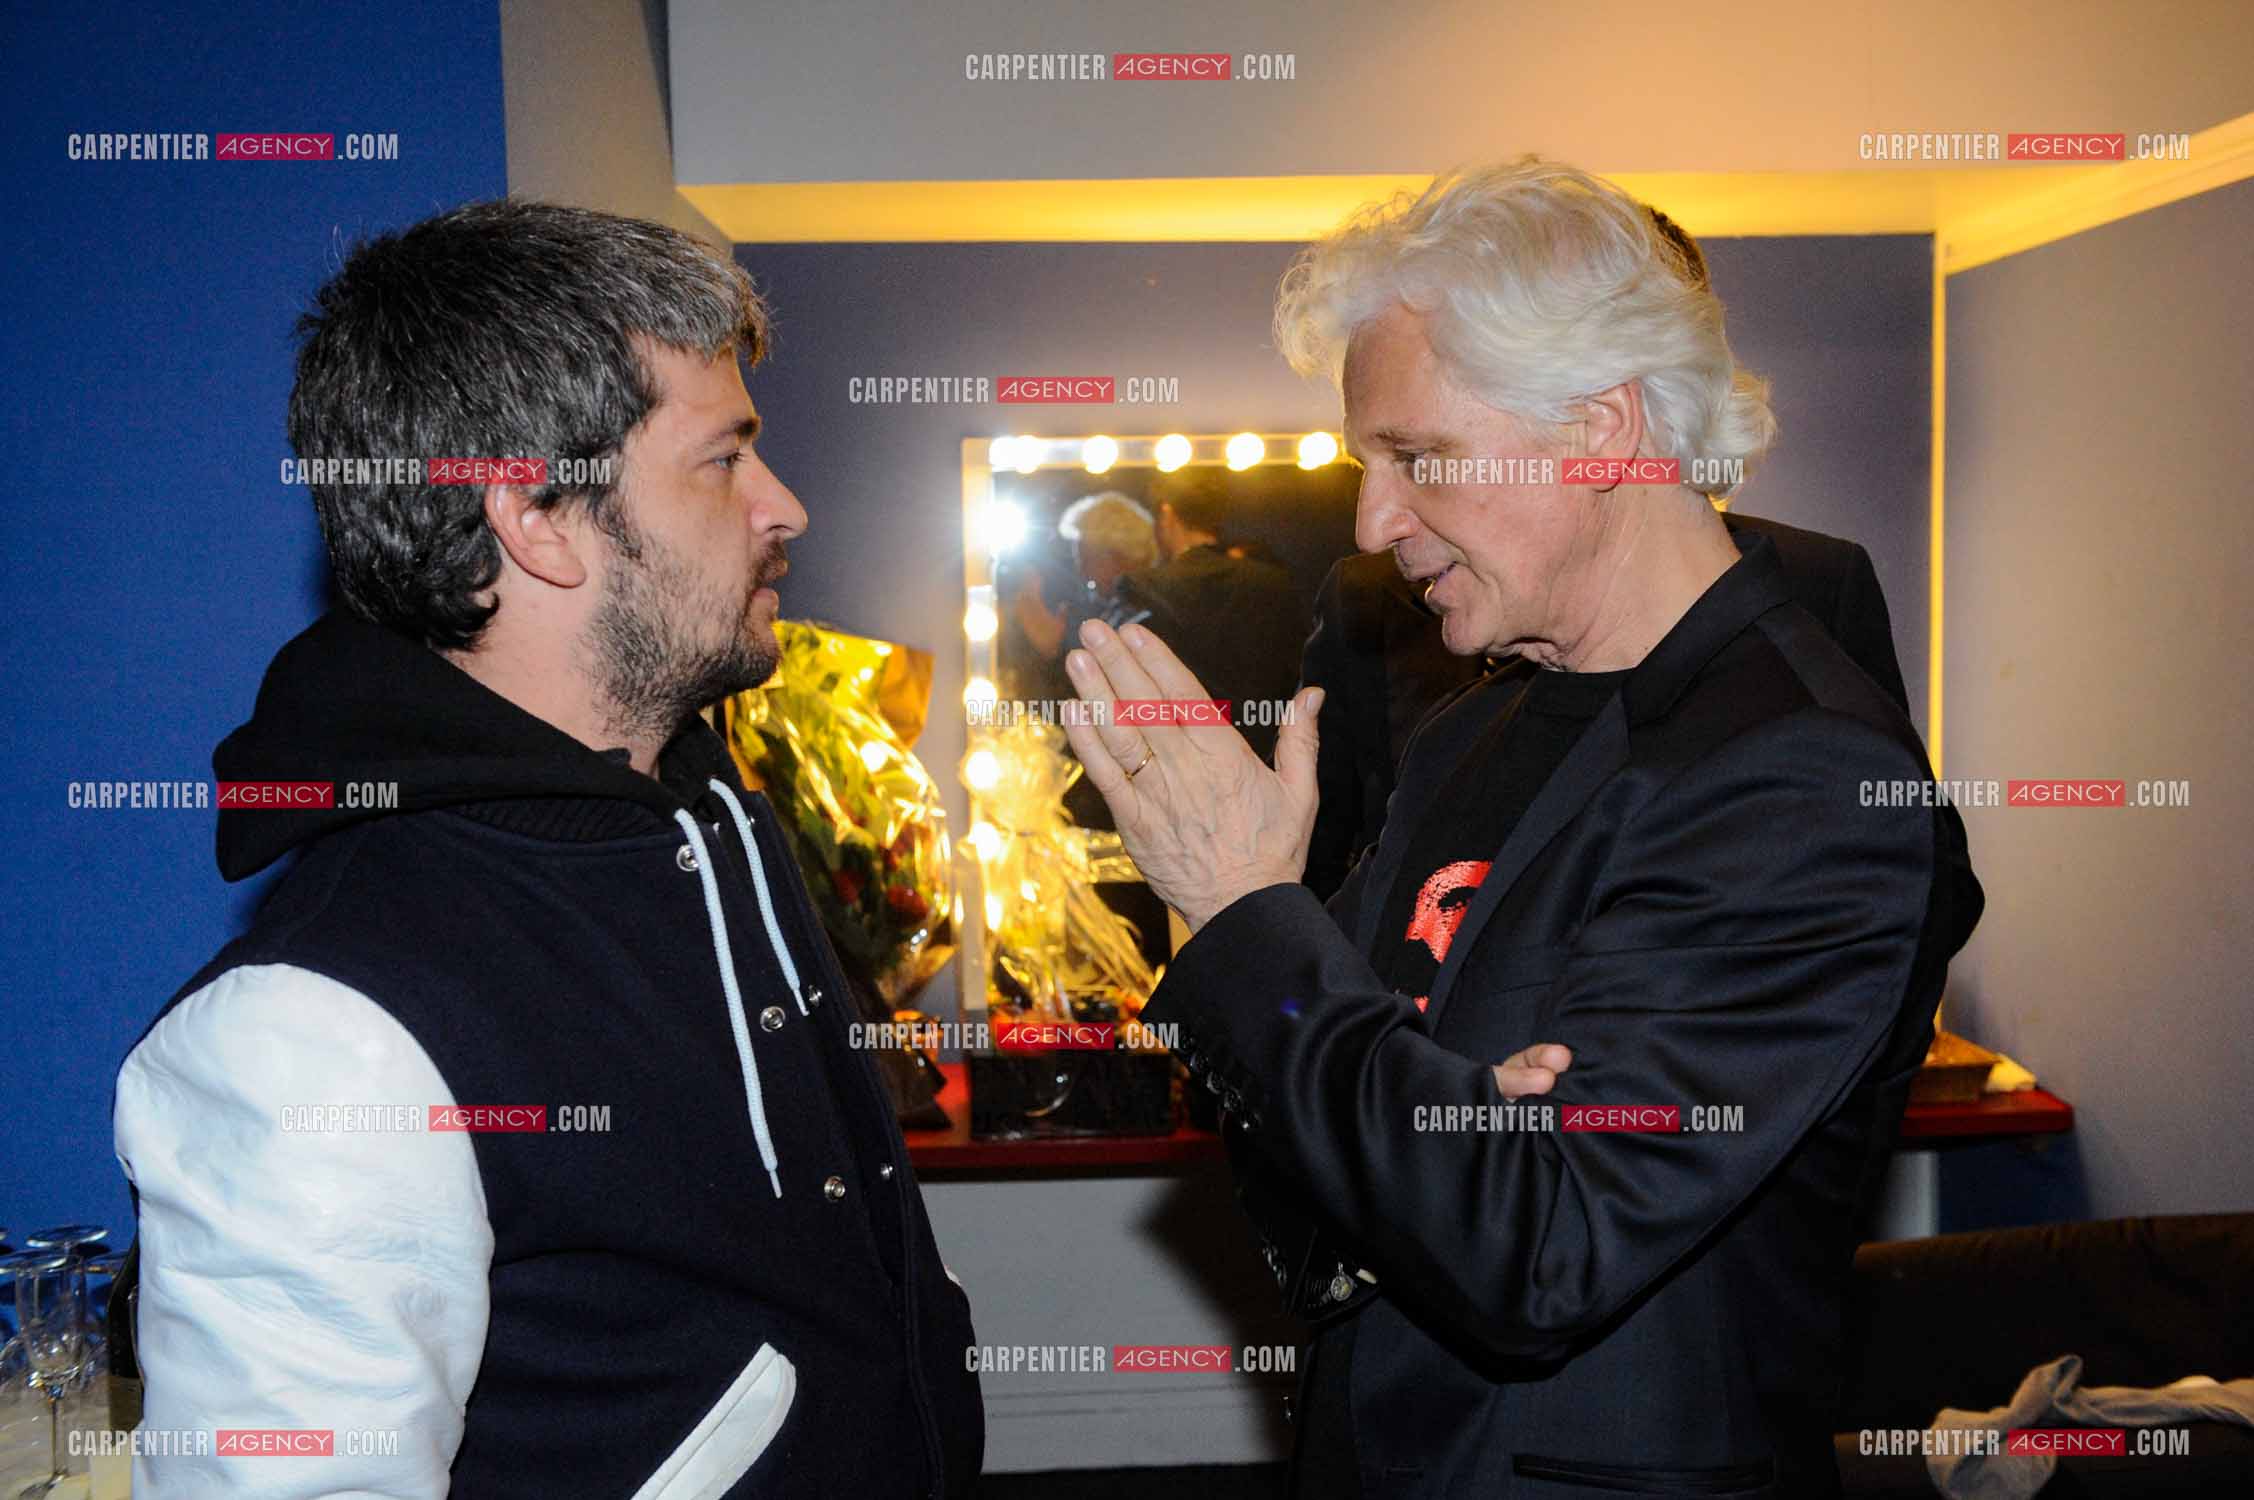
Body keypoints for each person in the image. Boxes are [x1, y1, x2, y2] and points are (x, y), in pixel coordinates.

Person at [1059, 159, 1981, 1497]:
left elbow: (1533, 1247)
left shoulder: (1804, 776)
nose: (1375, 524)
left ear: (1603, 427)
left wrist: (1257, 920)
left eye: (1416, 457)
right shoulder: (1474, 730)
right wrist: (1424, 1120)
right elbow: (1316, 1133)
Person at [112, 201, 982, 1499]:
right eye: (722, 459)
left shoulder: (712, 818)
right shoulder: (312, 1034)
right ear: (537, 516)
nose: (782, 504)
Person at [1115, 468, 1306, 764]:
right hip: (1265, 756)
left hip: (1179, 761)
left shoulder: (1143, 588)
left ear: (1166, 515)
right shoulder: (1272, 582)